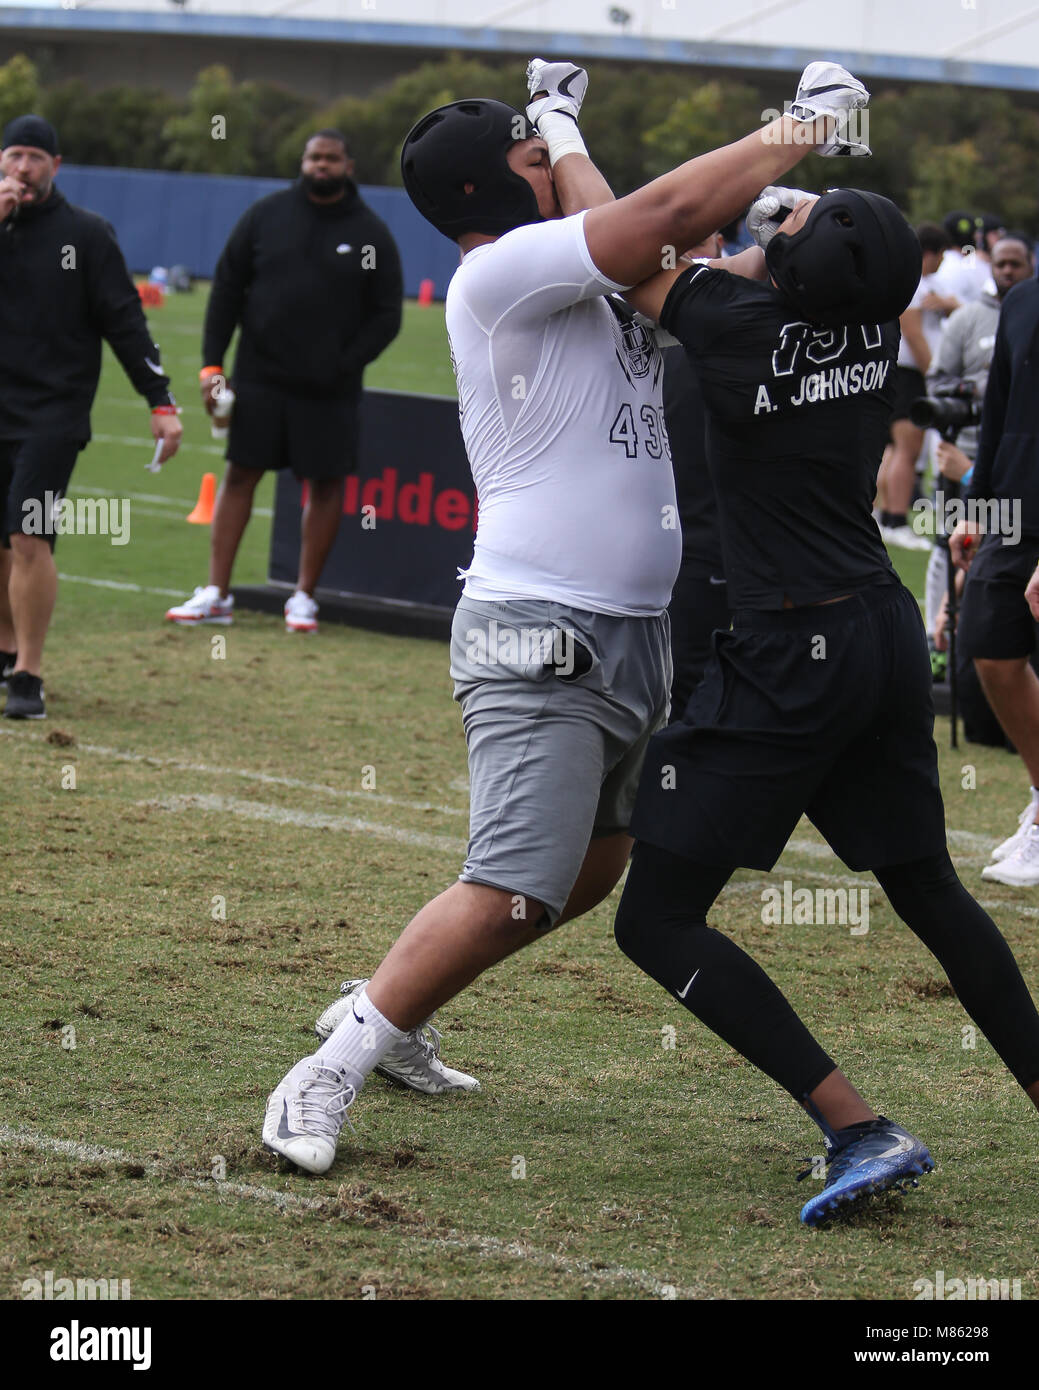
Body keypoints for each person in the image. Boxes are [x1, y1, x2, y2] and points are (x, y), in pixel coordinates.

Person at [261, 59, 873, 1176]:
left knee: (592, 868)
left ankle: (387, 1013)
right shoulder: (499, 273)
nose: (559, 167)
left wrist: (559, 127)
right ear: (496, 187)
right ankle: (330, 1066)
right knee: (511, 885)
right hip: (539, 622)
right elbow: (663, 214)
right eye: (536, 156)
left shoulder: (575, 265)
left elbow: (638, 229)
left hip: (631, 624)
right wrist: (807, 125)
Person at [603, 184, 1039, 1224]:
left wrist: (565, 138)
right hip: (880, 632)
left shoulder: (740, 324)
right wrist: (790, 237)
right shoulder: (869, 338)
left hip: (790, 645)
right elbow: (809, 266)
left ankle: (856, 1123)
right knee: (927, 887)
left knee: (655, 919)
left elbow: (624, 245)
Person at [165, 131, 403, 634]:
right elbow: (226, 290)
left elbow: (386, 315)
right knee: (239, 477)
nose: (321, 165)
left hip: (330, 390)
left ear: (348, 165)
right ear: (303, 162)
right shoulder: (266, 216)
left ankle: (303, 598)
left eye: (331, 158)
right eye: (314, 157)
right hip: (259, 379)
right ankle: (217, 593)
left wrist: (345, 363)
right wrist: (212, 366)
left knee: (325, 486)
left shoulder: (369, 233)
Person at [0, 114, 182, 720]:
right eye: (13, 155)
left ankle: (29, 671)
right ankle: (4, 650)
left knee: (29, 534)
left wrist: (160, 402)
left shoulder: (87, 235)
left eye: (34, 157)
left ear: (55, 165)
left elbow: (126, 324)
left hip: (52, 412)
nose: (22, 168)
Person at [952, 263, 1039, 886]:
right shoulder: (1023, 301)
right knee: (988, 643)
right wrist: (974, 511)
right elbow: (1000, 413)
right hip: (1014, 508)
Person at [875, 222, 949, 552]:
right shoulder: (914, 280)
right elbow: (915, 335)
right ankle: (896, 520)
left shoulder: (903, 277)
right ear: (931, 253)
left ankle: (882, 515)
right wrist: (933, 374)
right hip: (909, 374)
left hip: (896, 373)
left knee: (892, 450)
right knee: (909, 450)